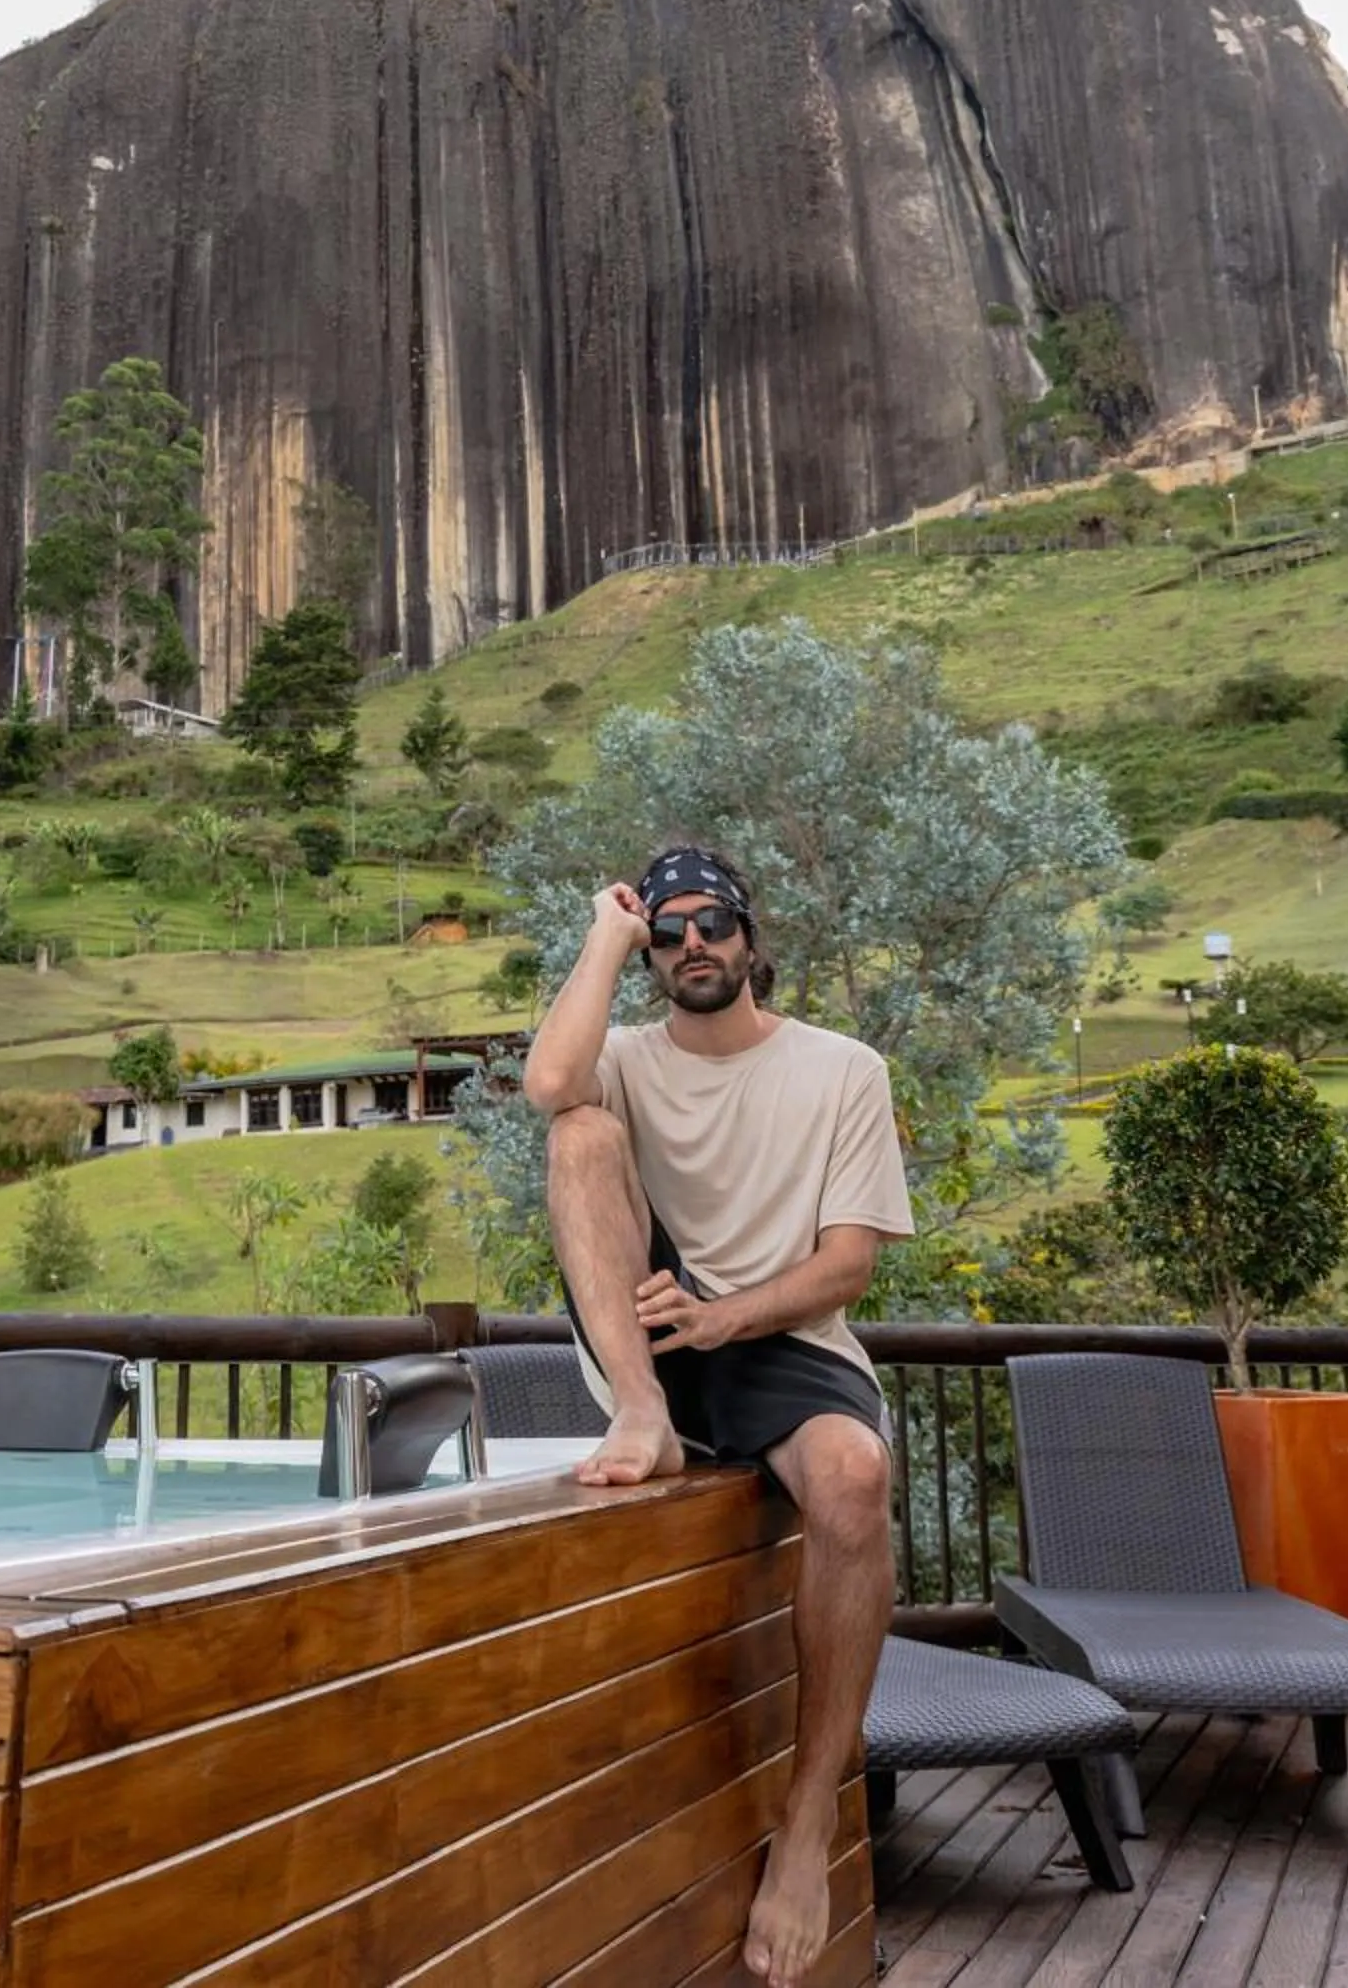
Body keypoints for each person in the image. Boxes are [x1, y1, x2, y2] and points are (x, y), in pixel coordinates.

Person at [523, 844, 912, 1988]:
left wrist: (726, 1317)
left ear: (749, 938)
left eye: (712, 922)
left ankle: (804, 1831)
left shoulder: (841, 1069)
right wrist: (600, 930)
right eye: (666, 928)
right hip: (650, 1342)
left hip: (780, 1338)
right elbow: (548, 1084)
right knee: (577, 1131)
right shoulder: (628, 1057)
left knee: (851, 1475)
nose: (690, 941)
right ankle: (641, 1415)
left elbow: (846, 1268)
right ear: (648, 954)